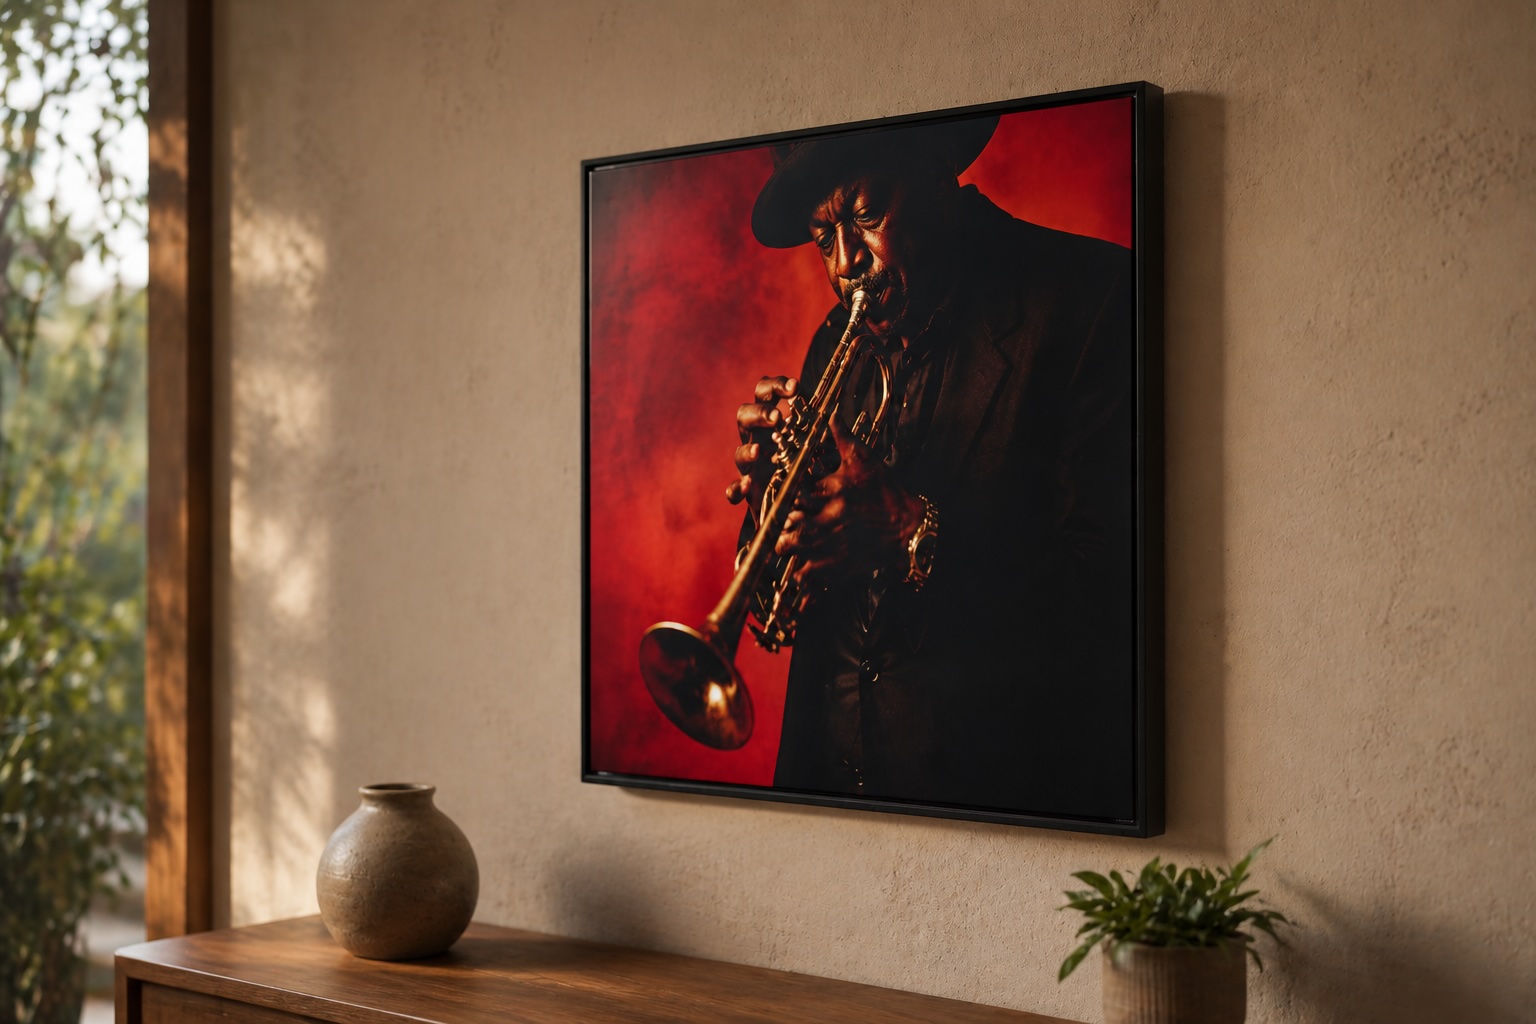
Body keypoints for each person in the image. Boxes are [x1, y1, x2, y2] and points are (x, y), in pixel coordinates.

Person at [727, 116, 1138, 819]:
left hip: (1000, 803)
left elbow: (1114, 601)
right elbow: (790, 602)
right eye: (825, 236)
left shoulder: (1091, 298)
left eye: (866, 215)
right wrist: (776, 502)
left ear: (935, 174)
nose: (842, 264)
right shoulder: (837, 338)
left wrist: (914, 530)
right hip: (829, 795)